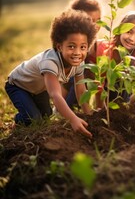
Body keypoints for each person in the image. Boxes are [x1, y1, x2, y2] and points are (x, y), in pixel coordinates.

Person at [5, 9, 97, 138]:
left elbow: (80, 90)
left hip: (39, 89)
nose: (77, 52)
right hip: (19, 86)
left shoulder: (79, 64)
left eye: (82, 47)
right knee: (34, 118)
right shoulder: (50, 62)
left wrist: (89, 115)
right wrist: (73, 119)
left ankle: (30, 110)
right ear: (59, 46)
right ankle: (19, 120)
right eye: (71, 46)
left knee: (47, 115)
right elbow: (55, 94)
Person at [86, 10, 135, 108]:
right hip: (102, 83)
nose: (131, 38)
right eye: (128, 32)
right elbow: (99, 85)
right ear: (120, 30)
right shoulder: (107, 50)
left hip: (123, 92)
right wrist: (102, 111)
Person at [65, 0, 103, 108]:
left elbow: (98, 79)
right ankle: (68, 106)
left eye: (99, 20)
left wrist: (100, 107)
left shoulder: (97, 46)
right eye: (90, 21)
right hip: (67, 84)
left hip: (83, 83)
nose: (96, 25)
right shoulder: (71, 45)